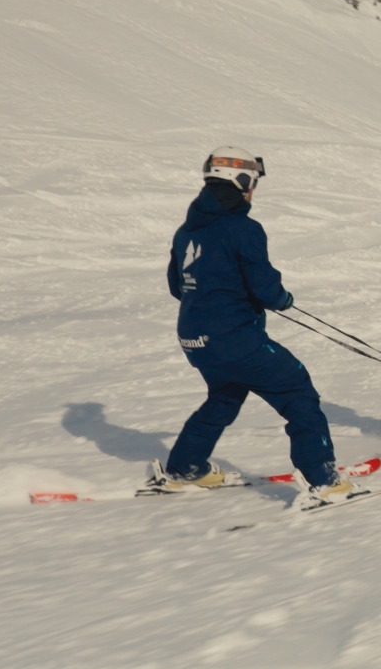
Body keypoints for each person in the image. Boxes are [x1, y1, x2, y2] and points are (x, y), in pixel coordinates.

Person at [143, 148, 359, 504]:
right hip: (234, 339)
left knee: (225, 397)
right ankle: (323, 480)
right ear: (241, 182)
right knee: (297, 392)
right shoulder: (244, 228)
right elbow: (266, 290)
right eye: (253, 183)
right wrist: (281, 298)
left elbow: (176, 286)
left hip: (195, 339)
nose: (253, 190)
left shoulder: (185, 232)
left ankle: (185, 468)